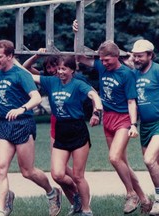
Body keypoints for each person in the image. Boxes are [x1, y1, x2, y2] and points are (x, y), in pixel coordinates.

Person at [73, 20, 152, 214]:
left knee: (115, 158)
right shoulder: (101, 66)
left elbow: (132, 102)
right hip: (108, 118)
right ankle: (144, 199)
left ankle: (130, 194)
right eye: (102, 59)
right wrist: (77, 34)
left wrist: (133, 124)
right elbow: (80, 57)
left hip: (123, 119)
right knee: (121, 163)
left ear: (116, 56)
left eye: (107, 60)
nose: (104, 63)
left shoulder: (126, 74)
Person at [0, 39, 62, 216]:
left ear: (10, 56)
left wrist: (21, 109)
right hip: (5, 125)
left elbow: (36, 98)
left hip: (23, 124)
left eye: (0, 56)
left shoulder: (21, 74)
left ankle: (52, 192)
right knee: (0, 168)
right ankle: (0, 209)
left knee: (27, 171)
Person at [26, 55, 102, 216]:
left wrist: (97, 109)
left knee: (78, 175)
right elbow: (28, 75)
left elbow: (93, 95)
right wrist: (12, 63)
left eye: (64, 69)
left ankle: (86, 211)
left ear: (72, 70)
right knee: (57, 174)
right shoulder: (51, 81)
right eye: (59, 68)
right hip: (61, 130)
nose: (60, 72)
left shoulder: (78, 84)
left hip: (77, 130)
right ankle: (77, 196)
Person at [130, 39, 159, 215]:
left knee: (149, 159)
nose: (137, 59)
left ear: (150, 55)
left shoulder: (157, 70)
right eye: (135, 56)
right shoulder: (135, 73)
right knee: (154, 164)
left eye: (140, 56)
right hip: (145, 126)